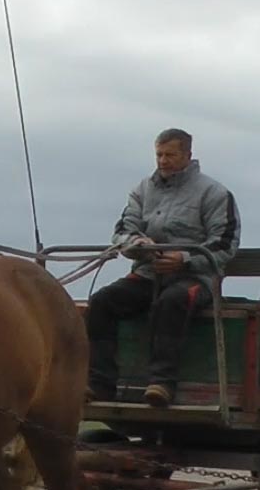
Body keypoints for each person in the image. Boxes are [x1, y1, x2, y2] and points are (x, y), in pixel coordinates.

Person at [87, 127, 241, 407]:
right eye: (159, 154)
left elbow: (224, 244)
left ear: (187, 155)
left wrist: (184, 258)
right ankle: (100, 385)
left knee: (172, 301)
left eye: (170, 154)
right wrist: (137, 242)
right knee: (100, 303)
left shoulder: (215, 193)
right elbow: (122, 231)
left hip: (195, 279)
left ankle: (161, 384)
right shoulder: (142, 190)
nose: (163, 160)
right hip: (148, 274)